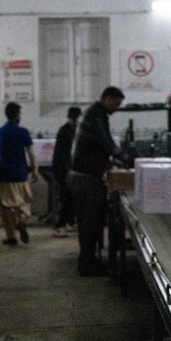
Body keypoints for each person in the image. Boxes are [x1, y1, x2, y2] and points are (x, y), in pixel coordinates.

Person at [68, 86, 124, 276]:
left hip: (80, 177)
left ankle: (87, 261)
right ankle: (87, 265)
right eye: (116, 104)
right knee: (91, 224)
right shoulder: (97, 116)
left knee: (87, 224)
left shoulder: (91, 113)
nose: (117, 108)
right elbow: (107, 144)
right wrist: (124, 157)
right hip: (87, 180)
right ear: (107, 99)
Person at [0, 102, 38, 245]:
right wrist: (35, 171)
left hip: (4, 175)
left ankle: (11, 237)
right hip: (20, 174)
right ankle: (22, 221)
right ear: (17, 115)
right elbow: (31, 154)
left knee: (6, 208)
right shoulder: (23, 132)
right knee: (24, 203)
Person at [52, 106, 81, 237]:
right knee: (68, 198)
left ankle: (70, 221)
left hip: (66, 169)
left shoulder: (70, 130)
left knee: (71, 197)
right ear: (76, 119)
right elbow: (64, 155)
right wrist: (68, 172)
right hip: (63, 170)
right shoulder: (66, 132)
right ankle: (59, 226)